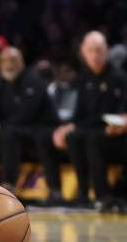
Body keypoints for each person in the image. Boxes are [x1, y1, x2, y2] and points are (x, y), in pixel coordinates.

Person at [0, 46, 59, 196]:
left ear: (21, 62)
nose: (9, 65)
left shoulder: (34, 81)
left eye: (13, 60)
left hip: (38, 128)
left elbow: (26, 116)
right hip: (11, 130)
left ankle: (9, 184)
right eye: (4, 61)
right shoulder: (0, 84)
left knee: (8, 133)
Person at [52, 31, 127, 211]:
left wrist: (121, 122)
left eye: (99, 50)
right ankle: (83, 193)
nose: (95, 55)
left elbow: (120, 114)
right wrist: (66, 128)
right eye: (91, 50)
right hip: (93, 129)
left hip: (115, 134)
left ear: (107, 51)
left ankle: (102, 195)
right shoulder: (82, 78)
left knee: (92, 139)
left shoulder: (119, 77)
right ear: (83, 53)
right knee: (72, 137)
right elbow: (79, 115)